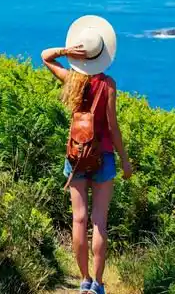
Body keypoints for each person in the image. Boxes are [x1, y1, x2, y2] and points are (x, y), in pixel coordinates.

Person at [41, 15, 132, 294]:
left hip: (76, 155)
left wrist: (66, 52)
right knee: (99, 221)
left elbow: (46, 57)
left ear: (82, 55)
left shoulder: (71, 79)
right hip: (102, 156)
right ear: (102, 54)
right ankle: (98, 284)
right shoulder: (109, 84)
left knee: (78, 220)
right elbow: (113, 127)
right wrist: (125, 161)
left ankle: (83, 280)